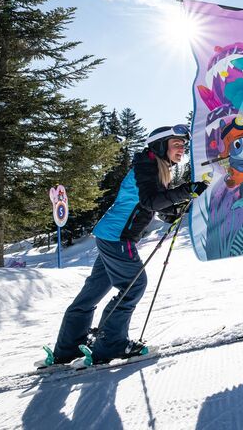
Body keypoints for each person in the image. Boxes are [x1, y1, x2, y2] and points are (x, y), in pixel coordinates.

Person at [49, 124, 207, 365]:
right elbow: (150, 200)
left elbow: (149, 204)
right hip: (118, 238)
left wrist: (171, 213)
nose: (181, 149)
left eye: (183, 145)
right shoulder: (148, 166)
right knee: (133, 286)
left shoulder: (155, 167)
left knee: (94, 290)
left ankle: (69, 346)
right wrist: (186, 191)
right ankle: (111, 344)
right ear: (161, 145)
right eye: (176, 144)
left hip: (109, 236)